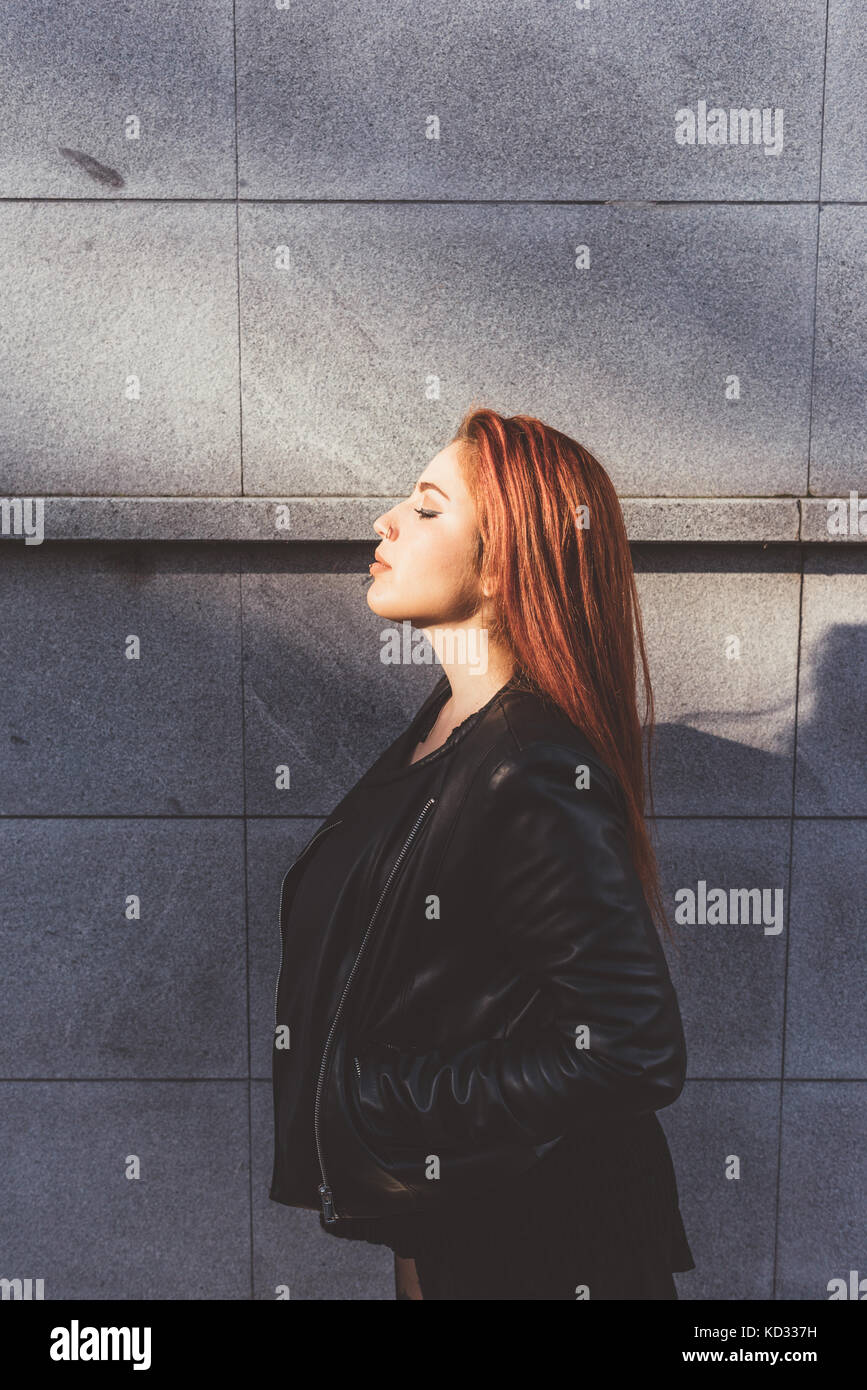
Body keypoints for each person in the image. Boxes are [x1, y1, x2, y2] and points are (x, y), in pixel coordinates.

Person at [269, 405, 695, 1299]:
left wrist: (380, 1099)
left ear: (504, 565)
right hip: (452, 1236)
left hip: (548, 1250)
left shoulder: (529, 762)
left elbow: (632, 1048)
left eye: (428, 509)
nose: (387, 520)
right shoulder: (440, 734)